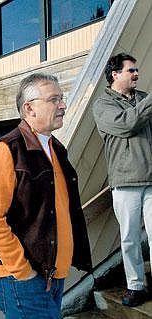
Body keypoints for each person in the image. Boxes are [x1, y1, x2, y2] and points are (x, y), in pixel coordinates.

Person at [0, 73, 92, 318]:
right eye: (54, 100)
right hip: (23, 278)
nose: (62, 105)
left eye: (62, 98)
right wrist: (23, 271)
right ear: (29, 108)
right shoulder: (5, 151)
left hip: (50, 274)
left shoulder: (55, 148)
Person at [93, 52, 152, 307]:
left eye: (137, 70)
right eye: (131, 70)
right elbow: (127, 124)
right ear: (115, 74)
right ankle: (136, 286)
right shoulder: (103, 104)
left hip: (151, 179)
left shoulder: (143, 99)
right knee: (128, 237)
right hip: (125, 181)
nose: (136, 73)